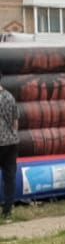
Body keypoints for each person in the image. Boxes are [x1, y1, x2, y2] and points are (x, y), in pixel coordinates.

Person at [0, 83, 18, 221]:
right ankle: (8, 212)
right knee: (9, 177)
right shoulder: (10, 96)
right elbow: (15, 121)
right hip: (11, 142)